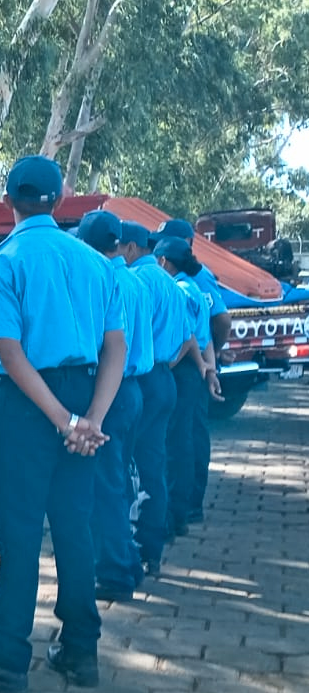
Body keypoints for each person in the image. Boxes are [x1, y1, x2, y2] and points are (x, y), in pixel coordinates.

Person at [0, 156, 125, 693]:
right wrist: (90, 418)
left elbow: (7, 347)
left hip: (29, 406)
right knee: (74, 527)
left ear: (9, 200)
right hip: (83, 392)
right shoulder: (96, 263)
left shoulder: (4, 260)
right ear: (62, 195)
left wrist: (60, 418)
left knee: (20, 535)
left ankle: (7, 658)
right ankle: (80, 650)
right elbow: (115, 347)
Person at [75, 212, 149, 601]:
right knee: (119, 481)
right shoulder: (135, 281)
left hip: (111, 390)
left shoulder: (100, 279)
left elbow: (103, 345)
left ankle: (116, 573)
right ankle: (129, 562)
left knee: (104, 486)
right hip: (135, 388)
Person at [119, 221, 195, 574]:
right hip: (165, 376)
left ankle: (137, 546)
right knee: (156, 459)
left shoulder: (139, 283)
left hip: (143, 379)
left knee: (136, 465)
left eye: (118, 247)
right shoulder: (172, 284)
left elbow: (127, 335)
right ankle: (154, 546)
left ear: (132, 248)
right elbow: (185, 339)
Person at [153, 218, 227, 527]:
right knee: (189, 437)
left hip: (180, 369)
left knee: (179, 440)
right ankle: (186, 506)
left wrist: (196, 364)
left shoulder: (180, 289)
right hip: (194, 369)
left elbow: (189, 336)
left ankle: (179, 508)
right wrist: (209, 367)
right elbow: (204, 335)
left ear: (165, 260)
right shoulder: (194, 286)